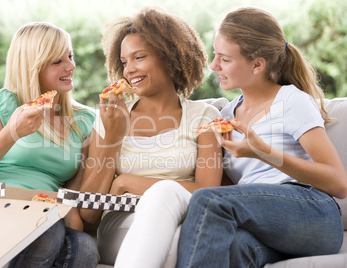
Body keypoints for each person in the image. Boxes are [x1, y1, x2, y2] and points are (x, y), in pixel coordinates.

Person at [176, 7, 347, 268]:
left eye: (225, 58)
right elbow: (230, 189)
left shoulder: (291, 101)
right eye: (214, 55)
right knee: (235, 247)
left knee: (208, 200)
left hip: (313, 212)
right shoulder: (225, 115)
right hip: (265, 222)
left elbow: (338, 183)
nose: (213, 66)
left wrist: (262, 152)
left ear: (257, 64)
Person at [78, 7, 223, 268]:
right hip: (124, 223)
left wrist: (125, 181)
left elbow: (207, 193)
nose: (129, 70)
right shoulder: (110, 117)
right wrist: (112, 137)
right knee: (180, 245)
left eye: (139, 57)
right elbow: (89, 212)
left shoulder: (204, 116)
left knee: (180, 239)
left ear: (170, 57)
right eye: (124, 62)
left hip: (185, 218)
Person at [0, 22, 99, 267]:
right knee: (44, 227)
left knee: (85, 247)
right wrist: (11, 134)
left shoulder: (84, 120)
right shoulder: (4, 102)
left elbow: (73, 188)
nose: (71, 66)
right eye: (57, 61)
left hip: (47, 209)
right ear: (33, 66)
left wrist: (69, 210)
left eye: (70, 56)